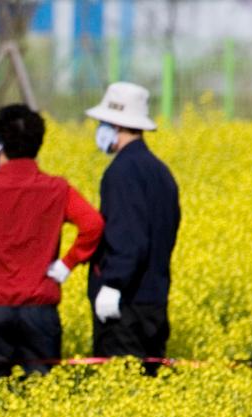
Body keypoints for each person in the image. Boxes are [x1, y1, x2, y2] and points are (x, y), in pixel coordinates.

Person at [0, 104, 104, 384]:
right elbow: (93, 225)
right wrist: (66, 264)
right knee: (40, 390)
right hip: (39, 307)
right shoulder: (58, 189)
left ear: (0, 148)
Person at [85, 82, 181, 375]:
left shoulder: (122, 172)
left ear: (115, 124)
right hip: (154, 301)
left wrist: (112, 284)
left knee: (123, 386)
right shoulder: (159, 170)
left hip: (126, 306)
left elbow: (129, 238)